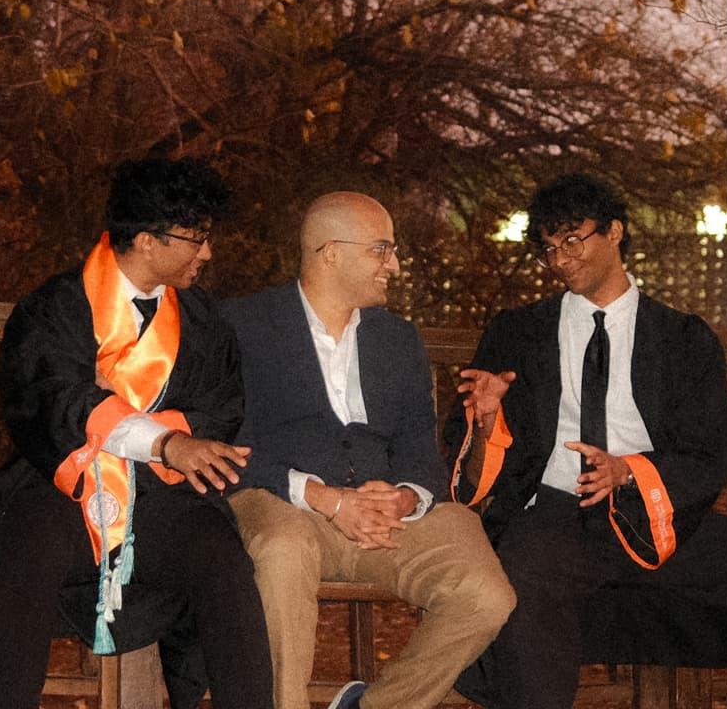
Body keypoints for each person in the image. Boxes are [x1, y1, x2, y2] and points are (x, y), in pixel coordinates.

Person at [446, 173, 727, 708]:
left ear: (614, 232)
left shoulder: (681, 338)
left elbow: (712, 452)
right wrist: (487, 422)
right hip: (558, 515)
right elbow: (470, 467)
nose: (560, 259)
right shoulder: (518, 333)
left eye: (572, 240)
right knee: (524, 566)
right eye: (549, 248)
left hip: (656, 515)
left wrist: (629, 470)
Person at [0, 158, 273, 709]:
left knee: (223, 561)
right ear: (147, 240)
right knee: (34, 549)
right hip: (63, 489)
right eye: (196, 238)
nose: (207, 253)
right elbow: (52, 400)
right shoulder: (55, 308)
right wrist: (163, 440)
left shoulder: (203, 320)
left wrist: (120, 417)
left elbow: (220, 410)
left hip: (161, 495)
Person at [221, 191, 516, 709]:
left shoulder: (398, 339)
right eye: (382, 249)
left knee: (487, 594)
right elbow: (226, 443)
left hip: (384, 520)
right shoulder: (244, 326)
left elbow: (420, 450)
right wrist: (328, 499)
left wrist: (405, 497)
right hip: (286, 504)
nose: (394, 265)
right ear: (331, 253)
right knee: (282, 551)